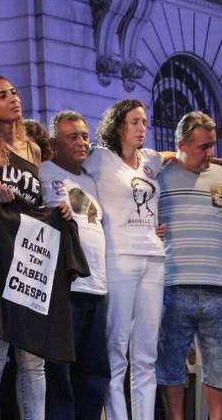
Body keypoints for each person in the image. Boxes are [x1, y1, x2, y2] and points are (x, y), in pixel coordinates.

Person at [0, 73, 86, 420]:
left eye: (14, 92)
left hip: (32, 259)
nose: (13, 99)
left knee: (33, 357)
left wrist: (59, 208)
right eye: (3, 95)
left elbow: (37, 202)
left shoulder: (33, 147)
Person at [83, 99, 167, 420]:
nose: (142, 128)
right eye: (134, 122)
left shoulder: (150, 160)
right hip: (118, 261)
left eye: (144, 122)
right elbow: (68, 162)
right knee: (115, 352)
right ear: (119, 125)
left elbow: (178, 157)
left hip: (153, 261)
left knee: (146, 355)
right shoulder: (100, 158)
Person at [155, 111, 222, 420]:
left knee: (220, 364)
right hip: (173, 284)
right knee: (171, 364)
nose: (210, 153)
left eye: (212, 145)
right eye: (203, 146)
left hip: (218, 285)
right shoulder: (158, 175)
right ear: (181, 144)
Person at [39, 110, 110, 420]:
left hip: (97, 287)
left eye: (84, 136)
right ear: (54, 143)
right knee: (60, 374)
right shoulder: (42, 171)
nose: (82, 142)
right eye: (73, 137)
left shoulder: (92, 179)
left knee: (94, 374)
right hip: (64, 286)